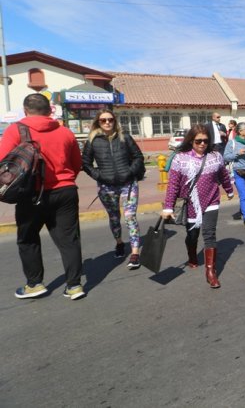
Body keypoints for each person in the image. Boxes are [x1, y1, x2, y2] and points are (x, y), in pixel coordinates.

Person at [0, 94, 85, 300]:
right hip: (65, 192)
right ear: (49, 110)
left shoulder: (16, 130)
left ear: (25, 109)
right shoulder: (65, 132)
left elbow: (4, 161)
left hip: (30, 194)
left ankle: (35, 284)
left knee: (28, 239)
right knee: (69, 240)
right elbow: (76, 164)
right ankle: (74, 286)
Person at [161, 124, 234, 288]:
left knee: (209, 235)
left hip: (211, 200)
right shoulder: (180, 158)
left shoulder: (215, 156)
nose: (202, 144)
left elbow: (223, 175)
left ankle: (211, 272)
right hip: (191, 204)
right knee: (192, 235)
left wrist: (229, 190)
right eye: (198, 141)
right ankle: (192, 255)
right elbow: (173, 185)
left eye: (205, 141)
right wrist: (168, 207)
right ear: (191, 141)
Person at [82, 110, 145, 269]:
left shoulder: (125, 137)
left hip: (128, 184)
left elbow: (138, 157)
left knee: (130, 217)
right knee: (114, 217)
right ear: (98, 122)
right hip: (106, 186)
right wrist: (100, 176)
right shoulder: (92, 141)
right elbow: (86, 164)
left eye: (110, 120)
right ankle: (119, 243)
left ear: (114, 121)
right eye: (103, 120)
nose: (107, 123)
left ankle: (135, 252)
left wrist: (130, 172)